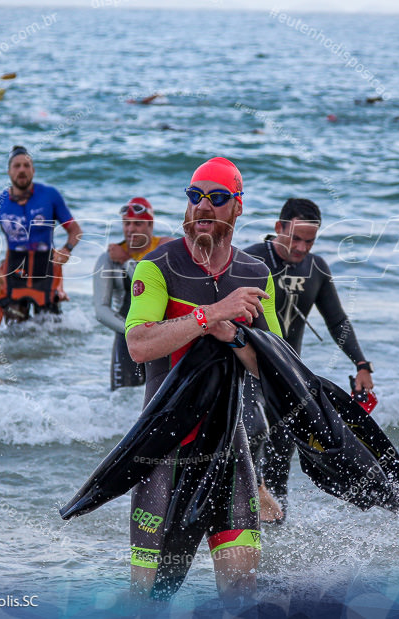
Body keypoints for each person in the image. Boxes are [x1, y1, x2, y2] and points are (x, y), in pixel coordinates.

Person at [124, 156, 281, 601]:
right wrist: (209, 314)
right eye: (195, 197)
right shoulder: (156, 268)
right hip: (162, 453)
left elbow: (275, 368)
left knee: (241, 596)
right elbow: (140, 344)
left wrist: (231, 333)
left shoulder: (255, 275)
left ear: (238, 208)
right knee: (149, 599)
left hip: (231, 454)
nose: (203, 206)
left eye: (217, 198)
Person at [245, 198, 374, 522]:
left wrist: (361, 364)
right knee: (250, 447)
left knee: (280, 458)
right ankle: (240, 529)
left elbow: (337, 322)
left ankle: (275, 540)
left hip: (289, 377)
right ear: (279, 228)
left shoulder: (316, 268)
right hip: (248, 371)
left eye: (309, 241)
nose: (302, 248)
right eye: (295, 239)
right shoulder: (249, 260)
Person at [0, 145, 82, 323]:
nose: (22, 170)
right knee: (14, 331)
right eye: (17, 166)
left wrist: (67, 249)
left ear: (33, 170)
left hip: (46, 269)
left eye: (26, 165)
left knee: (51, 331)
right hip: (15, 270)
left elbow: (75, 230)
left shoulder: (50, 196)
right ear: (9, 172)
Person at [92, 197, 168, 389]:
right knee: (121, 398)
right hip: (126, 333)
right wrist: (132, 332)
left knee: (165, 396)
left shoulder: (165, 249)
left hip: (165, 334)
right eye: (126, 223)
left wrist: (126, 261)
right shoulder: (108, 259)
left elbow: (151, 287)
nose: (130, 229)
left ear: (150, 226)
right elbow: (101, 311)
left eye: (137, 224)